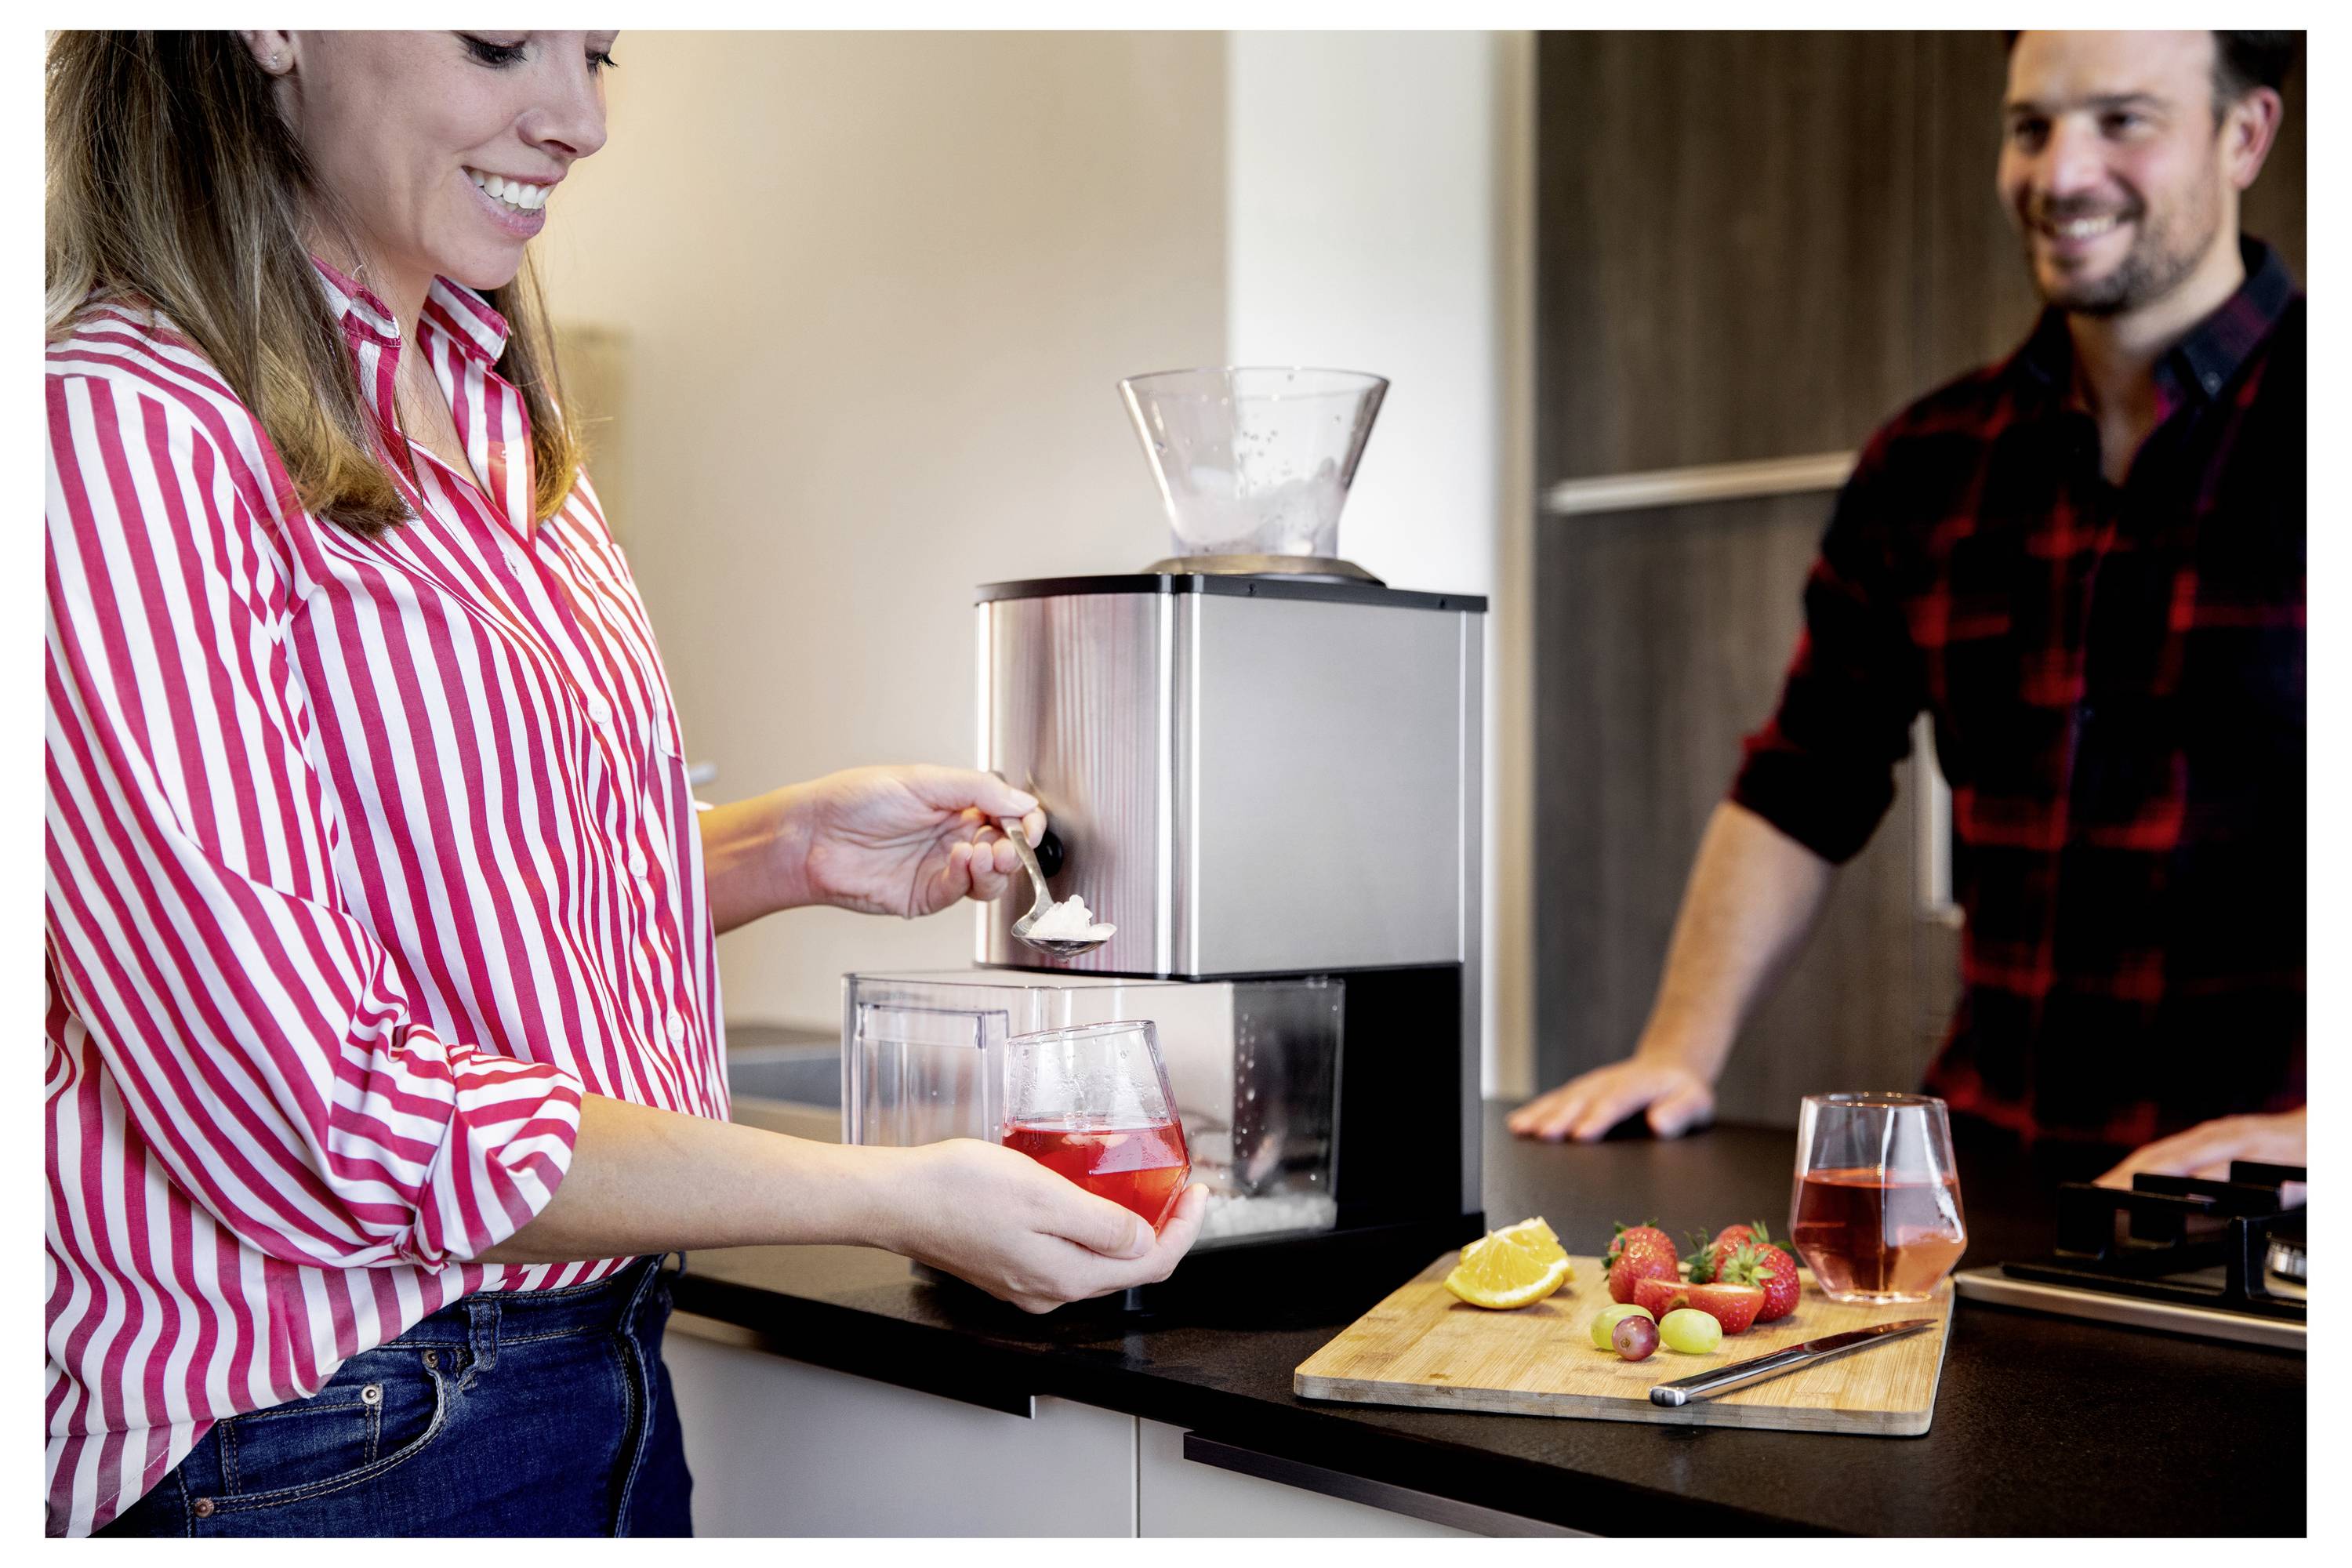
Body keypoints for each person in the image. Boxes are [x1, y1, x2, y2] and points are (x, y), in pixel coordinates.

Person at [43, 31, 1204, 1538]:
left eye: (597, 50)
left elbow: (440, 886)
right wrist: (892, 1193)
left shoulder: (493, 410)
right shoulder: (122, 429)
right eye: (498, 41)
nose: (583, 118)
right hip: (320, 1438)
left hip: (591, 1378)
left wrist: (780, 849)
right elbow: (318, 1103)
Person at [1510, 31, 2306, 1189]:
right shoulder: (1931, 460)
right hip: (1987, 1188)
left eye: (2122, 120)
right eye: (2030, 127)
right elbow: (1803, 781)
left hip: (2274, 1220)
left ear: (2245, 136)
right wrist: (1679, 1051)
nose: (2060, 173)